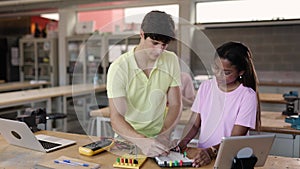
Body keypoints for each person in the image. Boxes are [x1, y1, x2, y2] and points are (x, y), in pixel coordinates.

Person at [106, 10, 182, 157]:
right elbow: (116, 118)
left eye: (164, 45)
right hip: (127, 141)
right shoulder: (119, 67)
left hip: (159, 139)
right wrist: (142, 142)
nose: (159, 50)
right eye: (154, 43)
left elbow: (175, 105)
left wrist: (164, 134)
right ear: (142, 34)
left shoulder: (171, 60)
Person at [175, 41, 261, 167]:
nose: (218, 75)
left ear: (241, 72)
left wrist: (211, 151)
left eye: (226, 73)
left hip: (230, 159)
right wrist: (182, 142)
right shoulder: (206, 87)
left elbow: (235, 139)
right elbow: (194, 124)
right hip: (202, 159)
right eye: (215, 68)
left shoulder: (247, 96)